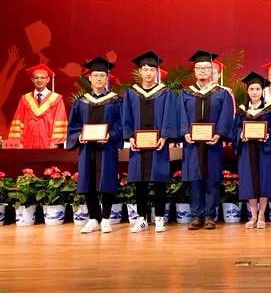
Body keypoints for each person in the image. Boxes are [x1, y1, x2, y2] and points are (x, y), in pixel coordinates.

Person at [122, 51, 178, 233]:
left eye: (152, 70)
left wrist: (164, 137)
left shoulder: (165, 92)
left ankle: (160, 218)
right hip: (138, 145)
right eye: (145, 69)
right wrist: (130, 137)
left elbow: (169, 115)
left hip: (159, 143)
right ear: (140, 71)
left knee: (159, 179)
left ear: (157, 72)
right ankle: (141, 219)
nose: (148, 73)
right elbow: (126, 116)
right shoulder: (131, 93)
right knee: (140, 181)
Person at [178, 50, 234, 230]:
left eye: (206, 68)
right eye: (199, 68)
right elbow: (180, 114)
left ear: (212, 70)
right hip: (192, 144)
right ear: (194, 71)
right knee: (194, 180)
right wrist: (185, 132)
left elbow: (226, 116)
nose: (202, 71)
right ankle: (196, 216)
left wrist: (219, 133)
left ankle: (210, 216)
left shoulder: (221, 93)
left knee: (212, 179)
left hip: (213, 143)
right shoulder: (186, 93)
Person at [66, 57, 122, 234]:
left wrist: (111, 135)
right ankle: (92, 219)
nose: (99, 78)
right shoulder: (81, 101)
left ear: (107, 78)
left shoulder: (115, 101)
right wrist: (79, 136)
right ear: (89, 78)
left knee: (107, 180)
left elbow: (121, 123)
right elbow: (73, 125)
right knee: (87, 180)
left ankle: (105, 219)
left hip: (107, 147)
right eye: (95, 75)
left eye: (102, 75)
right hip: (87, 148)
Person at [232, 71, 271, 230]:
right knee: (249, 182)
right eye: (251, 89)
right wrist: (241, 135)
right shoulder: (241, 110)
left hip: (264, 151)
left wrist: (267, 136)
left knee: (264, 181)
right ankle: (253, 216)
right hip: (246, 150)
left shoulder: (269, 109)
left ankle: (261, 215)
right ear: (247, 91)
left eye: (257, 89)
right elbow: (235, 129)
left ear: (262, 91)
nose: (254, 92)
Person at [7, 63, 67, 148]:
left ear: (48, 80)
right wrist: (17, 142)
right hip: (27, 144)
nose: (39, 80)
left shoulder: (56, 99)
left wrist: (56, 143)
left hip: (49, 145)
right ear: (32, 79)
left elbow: (60, 122)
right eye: (36, 78)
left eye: (42, 78)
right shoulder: (25, 99)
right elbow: (18, 122)